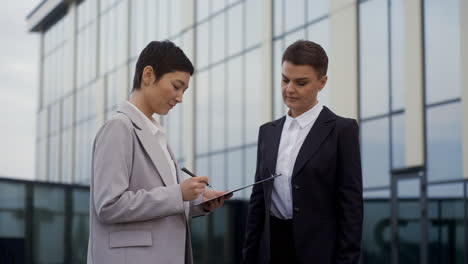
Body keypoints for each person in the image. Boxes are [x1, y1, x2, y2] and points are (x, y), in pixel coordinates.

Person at [87, 40, 230, 264]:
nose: (180, 97)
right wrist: (178, 193)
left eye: (184, 90)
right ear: (148, 75)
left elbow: (161, 203)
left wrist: (197, 202)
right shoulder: (118, 128)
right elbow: (109, 206)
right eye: (176, 86)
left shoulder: (156, 134)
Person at [242, 40, 363, 264]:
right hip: (271, 252)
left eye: (301, 82)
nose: (289, 89)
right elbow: (258, 201)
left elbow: (351, 205)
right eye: (285, 79)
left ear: (322, 82)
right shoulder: (267, 132)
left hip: (319, 254)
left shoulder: (342, 130)